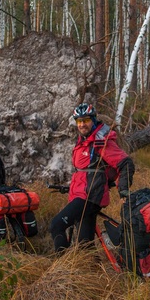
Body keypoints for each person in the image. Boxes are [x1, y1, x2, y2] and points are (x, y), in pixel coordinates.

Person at [50, 103, 135, 253]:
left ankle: (61, 270)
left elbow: (125, 163)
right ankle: (90, 268)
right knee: (85, 244)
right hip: (81, 194)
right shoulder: (83, 140)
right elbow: (85, 172)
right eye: (79, 121)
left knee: (56, 225)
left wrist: (124, 190)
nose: (82, 124)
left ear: (94, 120)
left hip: (90, 196)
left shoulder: (100, 142)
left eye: (86, 120)